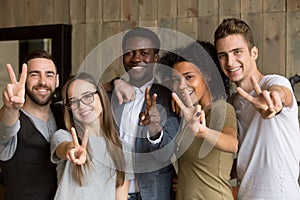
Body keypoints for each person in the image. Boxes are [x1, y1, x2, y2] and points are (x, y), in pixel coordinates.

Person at [214, 18, 300, 199]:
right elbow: (246, 159)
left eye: (237, 52)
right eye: (223, 55)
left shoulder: (274, 82)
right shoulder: (232, 102)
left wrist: (274, 101)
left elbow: (281, 94)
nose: (230, 62)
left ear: (254, 53)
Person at [108, 27, 180, 200]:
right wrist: (114, 82)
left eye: (144, 53)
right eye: (129, 53)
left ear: (155, 59)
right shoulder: (110, 96)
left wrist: (154, 129)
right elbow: (78, 90)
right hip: (112, 191)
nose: (136, 58)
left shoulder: (167, 96)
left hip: (152, 193)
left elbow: (165, 153)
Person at [160, 41, 238, 199]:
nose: (181, 85)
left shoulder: (220, 109)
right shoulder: (187, 116)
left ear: (207, 75)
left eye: (189, 77)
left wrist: (204, 132)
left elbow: (232, 144)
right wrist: (182, 179)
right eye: (176, 80)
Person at [50, 72, 133, 199]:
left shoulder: (123, 149)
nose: (81, 105)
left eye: (87, 96)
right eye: (73, 102)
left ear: (101, 96)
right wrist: (72, 149)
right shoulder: (63, 137)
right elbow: (65, 148)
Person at [0, 49, 64, 200]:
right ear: (23, 79)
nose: (43, 81)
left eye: (49, 75)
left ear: (57, 80)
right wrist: (10, 108)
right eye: (34, 74)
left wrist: (114, 84)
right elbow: (4, 129)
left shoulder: (62, 113)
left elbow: (86, 92)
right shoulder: (12, 118)